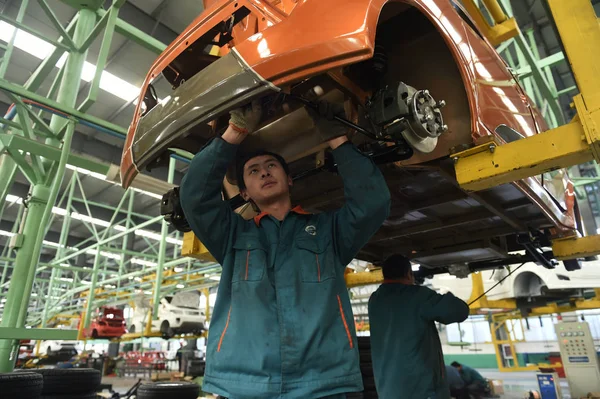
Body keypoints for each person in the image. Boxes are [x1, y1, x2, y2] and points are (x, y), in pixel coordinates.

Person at [180, 100, 391, 398]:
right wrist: (235, 131)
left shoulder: (328, 233)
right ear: (244, 193)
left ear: (289, 179)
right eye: (253, 171)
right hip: (243, 384)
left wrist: (337, 139)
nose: (264, 173)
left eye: (271, 166)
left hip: (323, 384)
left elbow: (373, 204)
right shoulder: (232, 236)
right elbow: (195, 197)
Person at [368, 254, 470, 399]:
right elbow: (459, 311)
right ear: (409, 274)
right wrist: (447, 296)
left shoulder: (375, 300)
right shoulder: (417, 296)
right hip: (421, 391)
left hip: (388, 392)